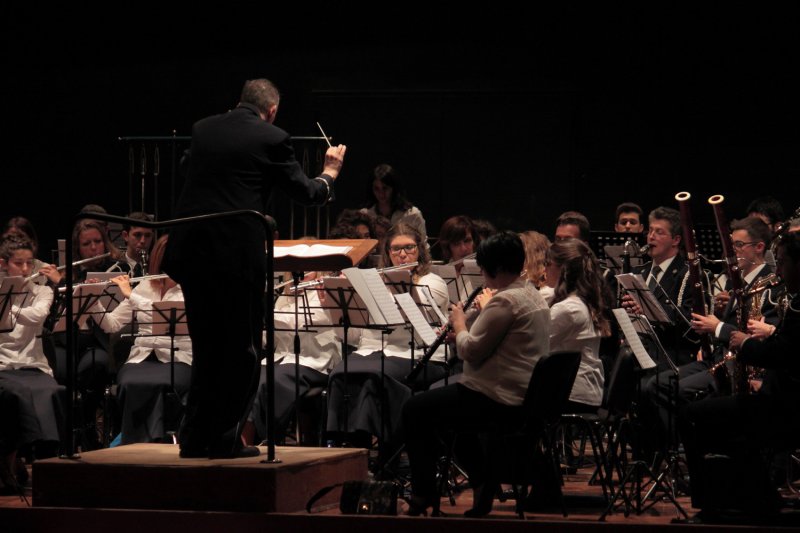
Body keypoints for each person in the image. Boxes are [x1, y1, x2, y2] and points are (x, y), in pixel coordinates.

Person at [162, 78, 346, 459]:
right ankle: (225, 438)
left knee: (208, 346)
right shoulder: (273, 137)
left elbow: (189, 171)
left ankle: (195, 438)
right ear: (273, 110)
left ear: (239, 101)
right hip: (235, 259)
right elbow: (307, 194)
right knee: (244, 351)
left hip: (192, 252)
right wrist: (330, 171)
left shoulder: (203, 129)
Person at [401, 231, 550, 517]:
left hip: (497, 397)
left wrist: (458, 324)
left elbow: (470, 350)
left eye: (482, 268)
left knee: (414, 409)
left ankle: (423, 494)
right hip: (520, 394)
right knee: (441, 409)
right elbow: (491, 339)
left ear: (493, 268)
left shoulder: (505, 301)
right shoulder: (530, 293)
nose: (481, 274)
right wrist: (464, 330)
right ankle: (481, 481)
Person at [680, 232, 800, 520]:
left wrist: (742, 342)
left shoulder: (797, 303)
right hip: (783, 399)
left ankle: (716, 500)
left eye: (783, 263)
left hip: (788, 407)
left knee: (693, 415)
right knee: (730, 425)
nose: (779, 271)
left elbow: (785, 353)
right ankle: (750, 496)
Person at [325, 223, 447, 452]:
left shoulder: (433, 283)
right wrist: (337, 311)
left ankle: (381, 453)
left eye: (409, 248)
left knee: (375, 375)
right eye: (396, 249)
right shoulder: (373, 285)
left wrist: (375, 291)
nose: (402, 254)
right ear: (388, 254)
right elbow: (353, 336)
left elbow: (407, 317)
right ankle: (347, 449)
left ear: (419, 250)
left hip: (422, 355)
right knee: (340, 373)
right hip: (373, 352)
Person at [91, 236, 191, 445]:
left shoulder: (190, 290)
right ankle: (137, 442)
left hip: (178, 359)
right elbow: (111, 324)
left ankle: (148, 441)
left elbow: (158, 312)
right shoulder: (144, 287)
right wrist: (92, 301)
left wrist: (129, 295)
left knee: (164, 384)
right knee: (129, 382)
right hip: (141, 357)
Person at [0, 235, 64, 476]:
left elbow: (36, 317)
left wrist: (7, 304)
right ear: (3, 264)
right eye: (19, 263)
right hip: (3, 365)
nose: (26, 269)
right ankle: (9, 458)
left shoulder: (43, 292)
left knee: (52, 391)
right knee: (15, 394)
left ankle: (49, 464)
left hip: (32, 364)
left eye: (29, 263)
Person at [546, 239, 610, 413]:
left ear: (562, 269)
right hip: (584, 389)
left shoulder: (568, 308)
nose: (544, 269)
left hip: (572, 393)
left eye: (547, 263)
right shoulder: (584, 300)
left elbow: (537, 346)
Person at [362, 164, 427, 247]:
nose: (381, 194)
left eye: (385, 188)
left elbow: (423, 247)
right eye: (376, 188)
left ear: (394, 188)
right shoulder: (365, 215)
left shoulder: (412, 214)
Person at [107, 212, 155, 278]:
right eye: (137, 235)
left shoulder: (157, 267)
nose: (143, 241)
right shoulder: (114, 270)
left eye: (148, 235)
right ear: (125, 236)